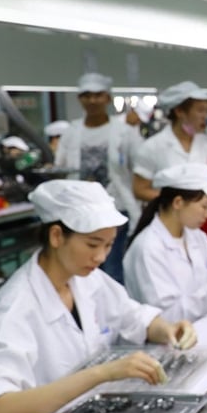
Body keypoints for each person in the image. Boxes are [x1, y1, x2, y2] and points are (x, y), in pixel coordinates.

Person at [0, 180, 196, 413]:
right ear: (57, 236)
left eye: (108, 245)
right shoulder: (14, 308)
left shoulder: (86, 279)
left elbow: (133, 317)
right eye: (92, 245)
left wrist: (168, 329)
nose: (101, 257)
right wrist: (102, 374)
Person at [124, 163, 207, 322]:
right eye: (205, 206)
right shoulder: (149, 248)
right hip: (172, 342)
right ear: (178, 203)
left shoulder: (197, 237)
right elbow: (167, 319)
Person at [132, 81, 207, 263]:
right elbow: (139, 189)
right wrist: (178, 201)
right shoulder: (152, 148)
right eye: (199, 110)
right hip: (172, 226)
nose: (205, 116)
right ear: (179, 111)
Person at [54, 73, 144, 284]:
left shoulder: (124, 131)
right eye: (86, 95)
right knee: (84, 268)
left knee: (113, 267)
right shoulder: (71, 132)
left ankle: (115, 314)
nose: (92, 100)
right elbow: (61, 168)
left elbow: (141, 163)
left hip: (116, 208)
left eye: (98, 95)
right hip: (81, 210)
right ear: (80, 99)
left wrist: (137, 129)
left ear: (108, 98)